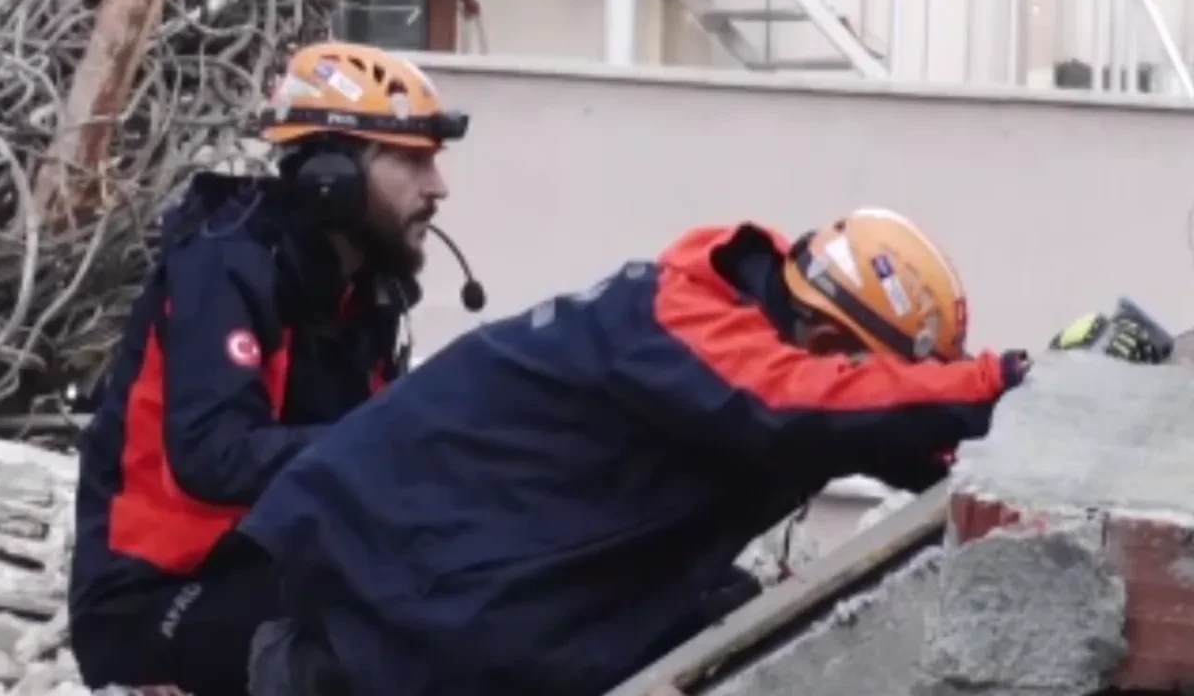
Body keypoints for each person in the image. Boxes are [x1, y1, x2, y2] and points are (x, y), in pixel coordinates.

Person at [240, 207, 1033, 696]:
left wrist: (1032, 445)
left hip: (456, 618)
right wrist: (1004, 380)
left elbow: (892, 438)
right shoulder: (690, 328)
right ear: (828, 337)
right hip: (380, 630)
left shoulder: (760, 351)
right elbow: (793, 406)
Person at [68, 40, 472, 695]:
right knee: (364, 651)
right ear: (331, 177)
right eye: (413, 159)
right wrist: (396, 439)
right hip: (153, 598)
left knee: (478, 597)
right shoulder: (224, 266)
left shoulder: (365, 292)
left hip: (265, 568)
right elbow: (212, 454)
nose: (438, 187)